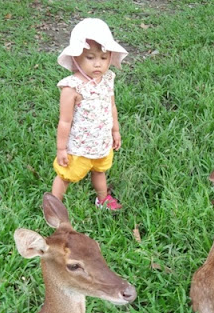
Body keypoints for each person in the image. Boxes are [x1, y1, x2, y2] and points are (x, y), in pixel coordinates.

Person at [51, 18, 128, 210]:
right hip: (80, 145)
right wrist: (61, 149)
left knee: (100, 170)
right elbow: (65, 121)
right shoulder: (72, 87)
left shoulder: (107, 79)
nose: (98, 65)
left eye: (103, 58)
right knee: (66, 176)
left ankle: (102, 199)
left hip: (101, 141)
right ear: (76, 57)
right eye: (90, 57)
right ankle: (54, 205)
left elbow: (111, 106)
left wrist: (115, 131)